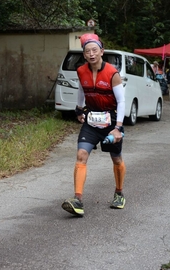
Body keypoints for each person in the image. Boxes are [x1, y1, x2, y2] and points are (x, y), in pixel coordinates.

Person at [62, 33, 126, 217]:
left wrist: (118, 128)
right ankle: (77, 200)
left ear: (102, 52)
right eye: (88, 51)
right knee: (81, 155)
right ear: (84, 54)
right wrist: (78, 109)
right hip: (91, 120)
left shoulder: (112, 73)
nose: (91, 54)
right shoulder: (81, 71)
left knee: (116, 159)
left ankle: (119, 193)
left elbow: (121, 101)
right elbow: (82, 90)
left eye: (94, 50)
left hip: (111, 121)